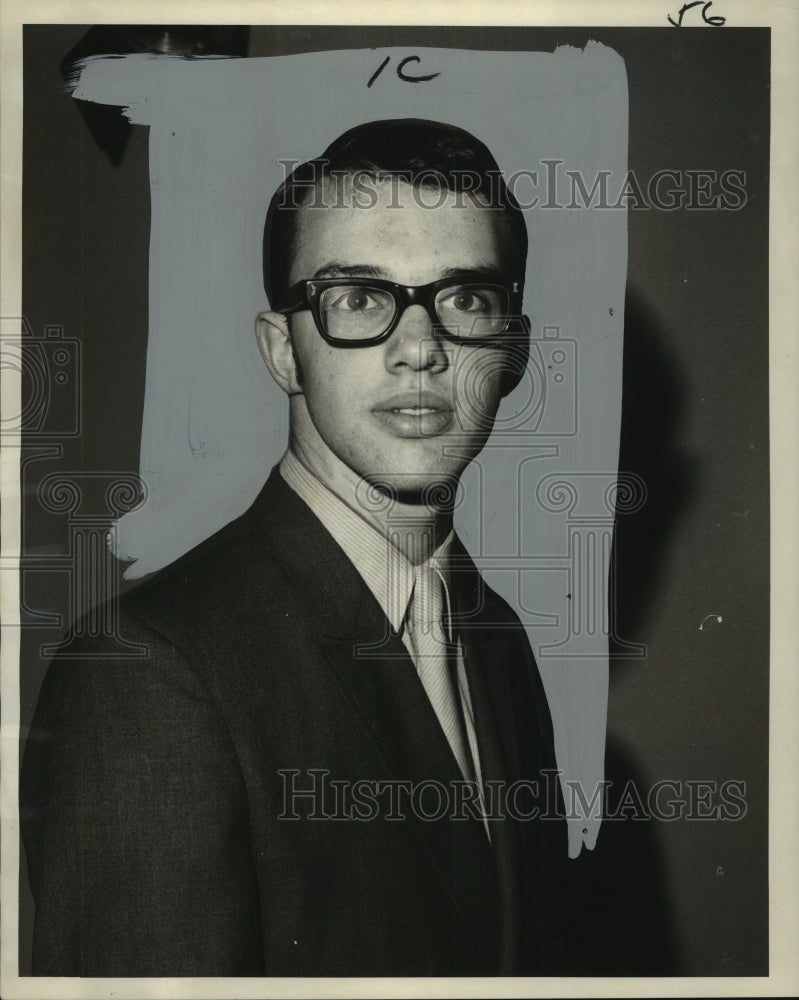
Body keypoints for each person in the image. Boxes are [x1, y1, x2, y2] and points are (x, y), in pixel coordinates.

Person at [20, 118, 570, 977]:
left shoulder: (495, 636)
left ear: (514, 347)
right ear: (283, 349)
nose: (419, 349)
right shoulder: (144, 670)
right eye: (358, 299)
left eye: (464, 298)